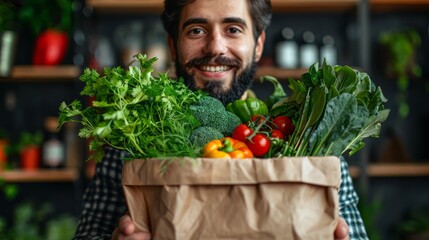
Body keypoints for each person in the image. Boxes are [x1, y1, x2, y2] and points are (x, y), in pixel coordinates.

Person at [72, 0, 369, 239]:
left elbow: (354, 232)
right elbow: (89, 232)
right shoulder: (131, 139)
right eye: (197, 31)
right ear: (173, 46)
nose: (215, 47)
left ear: (259, 44)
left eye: (233, 29)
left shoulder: (309, 138)